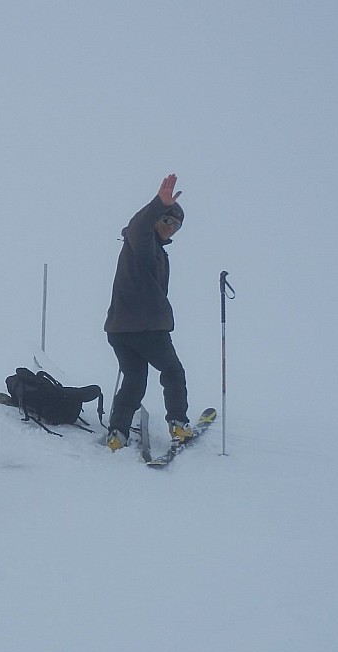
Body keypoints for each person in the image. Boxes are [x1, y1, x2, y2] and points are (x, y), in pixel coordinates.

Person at [103, 173, 190, 452]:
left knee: (134, 380)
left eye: (176, 225)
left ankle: (118, 432)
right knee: (173, 373)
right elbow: (138, 226)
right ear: (156, 219)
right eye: (167, 220)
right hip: (147, 329)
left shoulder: (153, 251)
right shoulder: (141, 242)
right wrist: (158, 203)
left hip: (121, 329)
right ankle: (178, 423)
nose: (171, 227)